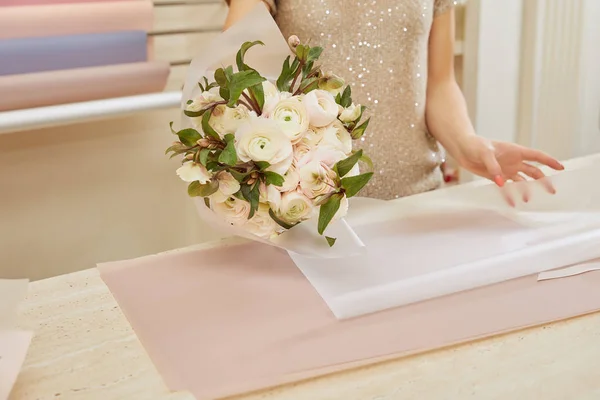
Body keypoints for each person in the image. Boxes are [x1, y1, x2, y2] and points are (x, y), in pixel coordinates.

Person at [223, 0, 564, 201]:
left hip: (417, 202)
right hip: (310, 209)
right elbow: (235, 71)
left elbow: (439, 82)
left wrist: (465, 143)